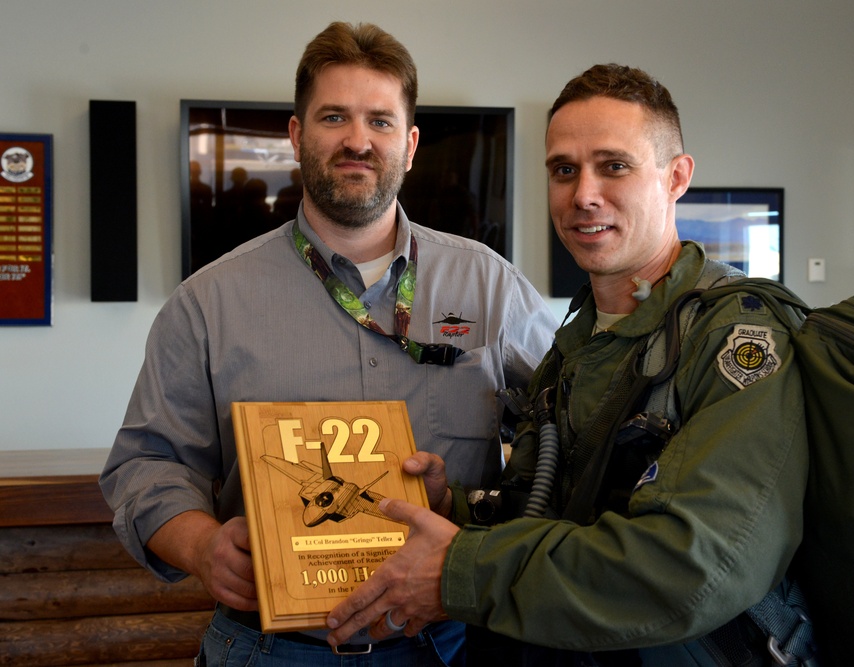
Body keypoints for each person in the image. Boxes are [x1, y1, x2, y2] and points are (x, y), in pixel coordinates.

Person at [100, 21, 558, 666]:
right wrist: (201, 546)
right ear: (296, 135)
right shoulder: (207, 303)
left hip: (449, 643)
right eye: (334, 117)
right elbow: (146, 464)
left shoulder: (492, 286)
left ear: (411, 144)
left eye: (380, 121)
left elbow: (573, 426)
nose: (357, 141)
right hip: (273, 647)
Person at [325, 63, 810, 665]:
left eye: (614, 166)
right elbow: (548, 508)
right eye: (564, 169)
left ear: (676, 177)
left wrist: (461, 574)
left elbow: (690, 567)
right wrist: (450, 504)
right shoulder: (576, 343)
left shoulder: (737, 338)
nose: (583, 194)